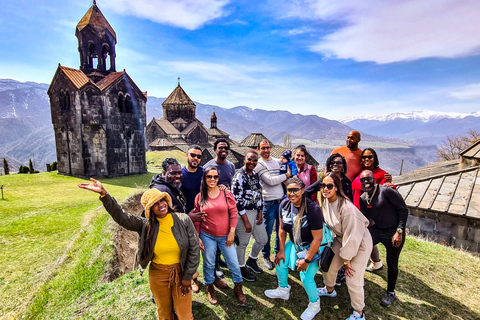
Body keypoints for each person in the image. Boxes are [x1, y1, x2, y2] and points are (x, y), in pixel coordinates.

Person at [78, 179, 199, 320]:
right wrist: (105, 195)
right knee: (164, 314)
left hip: (181, 272)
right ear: (149, 209)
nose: (160, 205)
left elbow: (194, 249)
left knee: (185, 315)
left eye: (161, 200)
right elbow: (122, 217)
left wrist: (187, 277)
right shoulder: (145, 226)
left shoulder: (183, 220)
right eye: (155, 204)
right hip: (158, 274)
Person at [264, 177, 323, 320]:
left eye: (295, 190)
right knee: (280, 262)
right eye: (289, 190)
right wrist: (282, 250)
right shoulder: (284, 204)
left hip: (311, 246)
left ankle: (315, 304)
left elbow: (318, 239)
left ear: (302, 190)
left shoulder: (313, 209)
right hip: (294, 243)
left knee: (306, 277)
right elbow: (281, 229)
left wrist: (307, 260)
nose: (292, 194)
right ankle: (283, 289)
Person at [316, 172, 372, 320]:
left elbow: (352, 237)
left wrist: (346, 261)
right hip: (342, 238)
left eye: (329, 186)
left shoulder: (347, 209)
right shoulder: (326, 201)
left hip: (359, 243)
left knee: (353, 278)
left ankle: (359, 313)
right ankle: (329, 290)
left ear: (336, 188)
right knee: (328, 265)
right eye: (323, 185)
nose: (325, 189)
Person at [194, 167, 246, 306]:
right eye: (209, 177)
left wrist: (231, 232)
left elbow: (234, 213)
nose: (212, 179)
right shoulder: (200, 197)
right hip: (207, 235)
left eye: (215, 177)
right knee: (209, 263)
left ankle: (238, 288)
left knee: (233, 263)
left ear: (218, 178)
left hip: (225, 236)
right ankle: (210, 288)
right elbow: (198, 219)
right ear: (204, 179)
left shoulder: (225, 193)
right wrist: (198, 237)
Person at [359, 170, 408, 308]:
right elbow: (366, 218)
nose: (366, 182)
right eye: (363, 180)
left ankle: (390, 292)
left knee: (392, 263)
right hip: (378, 230)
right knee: (361, 248)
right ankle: (358, 279)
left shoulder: (386, 191)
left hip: (394, 231)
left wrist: (399, 231)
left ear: (374, 179)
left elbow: (403, 210)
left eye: (368, 179)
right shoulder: (363, 198)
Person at [351, 148, 394, 271]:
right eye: (364, 157)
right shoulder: (361, 172)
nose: (366, 159)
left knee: (364, 239)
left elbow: (388, 189)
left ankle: (359, 265)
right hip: (356, 211)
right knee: (367, 239)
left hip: (368, 213)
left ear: (375, 158)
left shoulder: (381, 174)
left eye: (369, 157)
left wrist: (390, 184)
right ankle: (377, 262)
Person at [231, 149, 268, 281]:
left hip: (255, 211)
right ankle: (240, 268)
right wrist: (246, 220)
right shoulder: (239, 176)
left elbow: (259, 194)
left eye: (255, 160)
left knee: (263, 239)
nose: (252, 162)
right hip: (243, 213)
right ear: (244, 159)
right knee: (243, 243)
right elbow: (237, 200)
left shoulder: (255, 175)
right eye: (249, 159)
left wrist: (260, 211)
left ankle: (251, 261)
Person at [256, 140, 292, 270]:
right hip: (268, 202)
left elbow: (285, 167)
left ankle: (278, 253)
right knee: (267, 231)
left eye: (267, 147)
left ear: (270, 148)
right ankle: (266, 256)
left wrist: (287, 174)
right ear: (258, 149)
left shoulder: (277, 161)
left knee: (281, 230)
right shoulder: (259, 164)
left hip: (282, 202)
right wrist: (286, 176)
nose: (266, 150)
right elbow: (270, 181)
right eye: (263, 148)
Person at [203, 139, 236, 277]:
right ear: (215, 149)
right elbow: (204, 184)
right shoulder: (208, 166)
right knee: (214, 234)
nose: (223, 150)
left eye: (226, 147)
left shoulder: (231, 166)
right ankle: (214, 265)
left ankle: (219, 258)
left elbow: (232, 184)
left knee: (224, 233)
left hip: (226, 206)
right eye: (220, 147)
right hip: (213, 206)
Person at [181, 146, 206, 293]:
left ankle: (212, 274)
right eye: (193, 155)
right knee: (190, 249)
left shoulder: (204, 173)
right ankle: (192, 278)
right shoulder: (181, 174)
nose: (196, 158)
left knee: (207, 247)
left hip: (204, 215)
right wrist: (186, 215)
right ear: (187, 155)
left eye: (199, 156)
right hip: (187, 217)